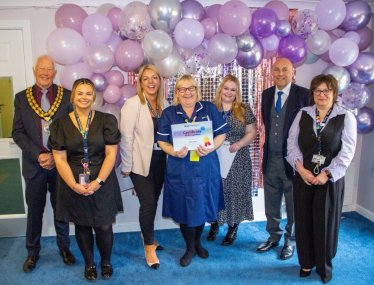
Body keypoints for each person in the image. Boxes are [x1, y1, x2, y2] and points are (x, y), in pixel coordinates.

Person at [48, 79, 123, 282]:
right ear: (73, 97)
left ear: (94, 97)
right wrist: (74, 185)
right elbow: (60, 158)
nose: (84, 97)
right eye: (79, 93)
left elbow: (111, 154)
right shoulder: (60, 124)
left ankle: (105, 262)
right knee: (81, 224)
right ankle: (89, 264)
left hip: (103, 179)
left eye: (88, 93)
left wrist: (98, 181)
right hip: (72, 180)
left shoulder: (107, 120)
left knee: (104, 225)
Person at [286, 74, 356, 283]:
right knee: (304, 219)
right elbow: (291, 146)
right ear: (313, 93)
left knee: (324, 222)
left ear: (334, 93)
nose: (322, 95)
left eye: (326, 91)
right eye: (317, 91)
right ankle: (306, 262)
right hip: (304, 177)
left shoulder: (346, 117)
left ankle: (324, 266)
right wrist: (300, 169)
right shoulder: (303, 114)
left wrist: (327, 174)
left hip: (329, 180)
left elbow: (347, 152)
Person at [156, 75, 229, 267]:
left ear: (197, 91)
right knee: (183, 207)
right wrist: (173, 151)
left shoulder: (209, 108)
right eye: (182, 89)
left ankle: (197, 243)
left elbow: (222, 133)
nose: (187, 92)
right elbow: (161, 141)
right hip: (180, 168)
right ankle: (190, 247)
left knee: (201, 205)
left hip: (206, 166)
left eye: (191, 88)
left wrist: (211, 147)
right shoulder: (169, 113)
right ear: (177, 93)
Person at [12, 54, 75, 272]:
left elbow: (72, 130)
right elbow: (17, 133)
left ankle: (64, 247)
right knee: (35, 211)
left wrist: (54, 155)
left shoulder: (67, 97)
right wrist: (39, 155)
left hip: (60, 165)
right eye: (42, 68)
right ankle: (32, 252)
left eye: (49, 69)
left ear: (55, 73)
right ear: (34, 70)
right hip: (34, 165)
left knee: (61, 209)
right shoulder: (22, 98)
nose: (45, 73)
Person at [258, 58, 310, 260]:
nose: (280, 73)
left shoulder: (304, 95)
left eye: (285, 70)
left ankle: (291, 241)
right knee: (271, 203)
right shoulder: (267, 94)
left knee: (293, 204)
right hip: (271, 158)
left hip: (293, 161)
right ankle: (273, 236)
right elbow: (268, 123)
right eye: (276, 69)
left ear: (292, 71)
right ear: (272, 72)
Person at [120, 64, 168, 270]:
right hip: (140, 162)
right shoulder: (133, 104)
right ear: (140, 82)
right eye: (146, 78)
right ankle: (149, 246)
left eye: (154, 78)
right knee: (148, 203)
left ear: (160, 81)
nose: (151, 82)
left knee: (154, 200)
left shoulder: (164, 104)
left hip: (160, 161)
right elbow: (126, 136)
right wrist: (127, 165)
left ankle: (145, 232)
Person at [207, 75, 257, 245]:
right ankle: (214, 224)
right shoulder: (210, 108)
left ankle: (232, 228)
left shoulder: (244, 109)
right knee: (215, 192)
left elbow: (252, 132)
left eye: (233, 89)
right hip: (214, 158)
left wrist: (240, 144)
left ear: (237, 93)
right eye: (226, 88)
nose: (228, 92)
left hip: (237, 158)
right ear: (220, 89)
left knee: (235, 194)